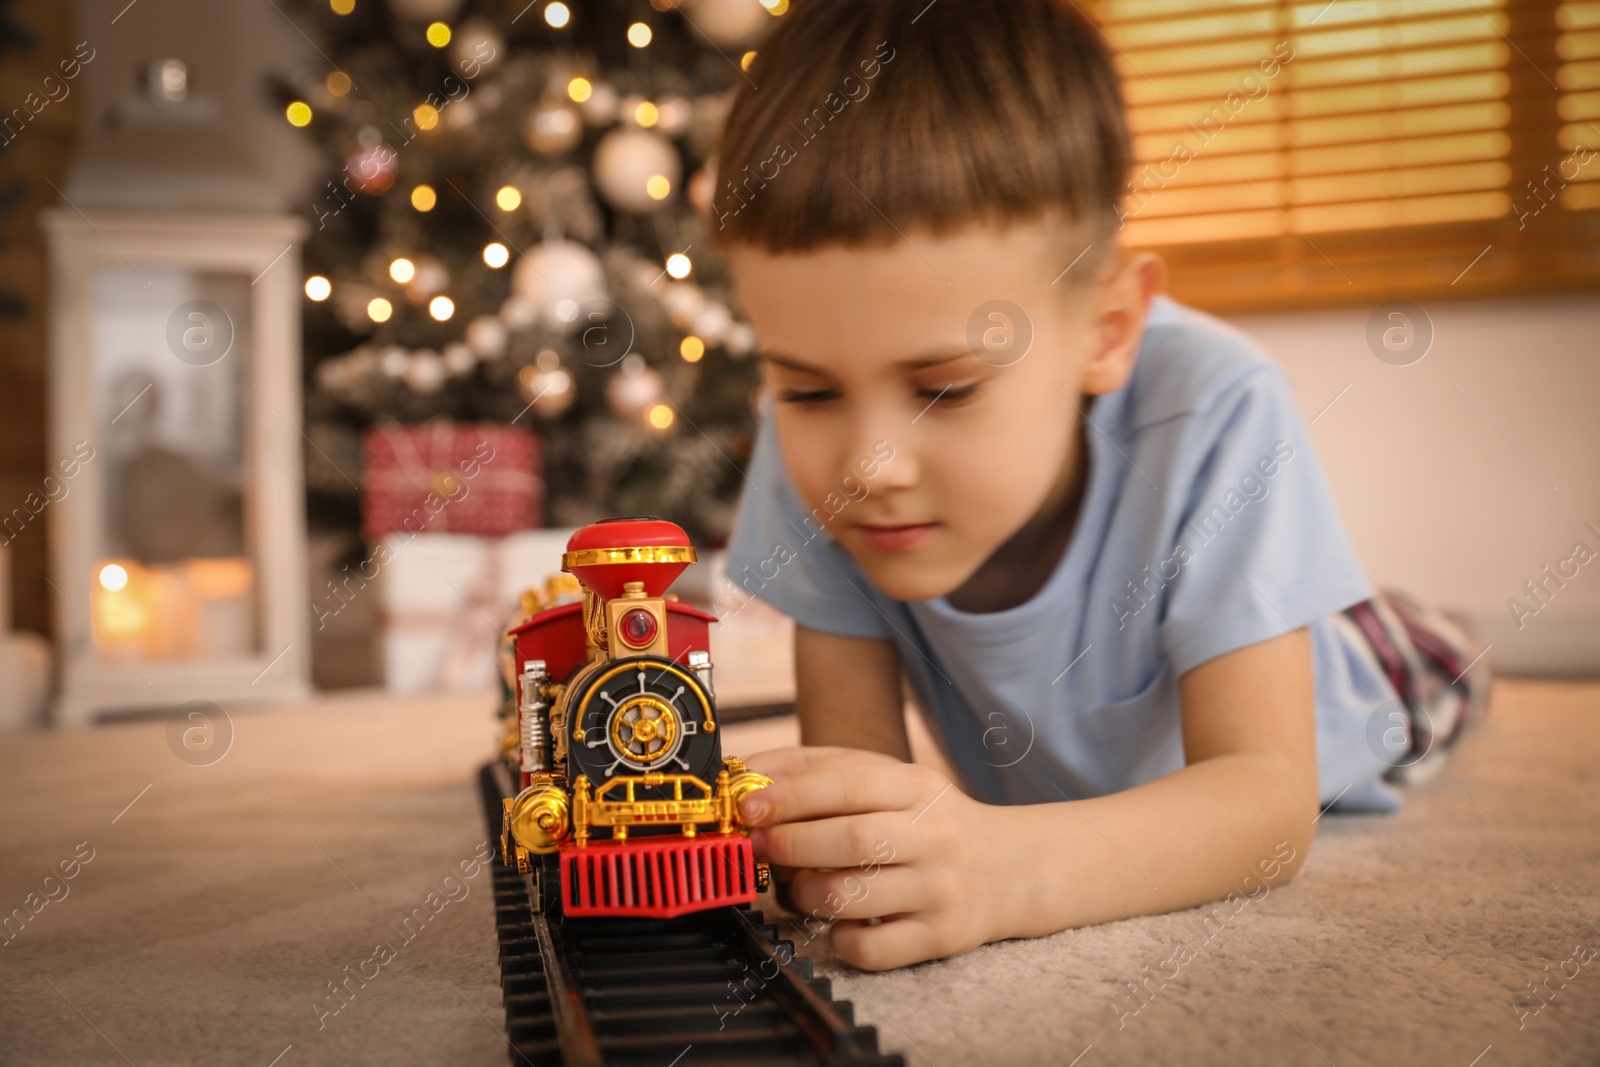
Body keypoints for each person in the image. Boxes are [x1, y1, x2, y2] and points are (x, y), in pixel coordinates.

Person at [707, 0, 1487, 972]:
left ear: (1108, 329)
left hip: (1370, 678)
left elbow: (1268, 805)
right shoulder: (804, 440)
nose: (867, 465)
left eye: (944, 388)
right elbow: (862, 787)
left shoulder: (1217, 405)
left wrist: (1008, 870)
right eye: (807, 387)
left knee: (1434, 652)